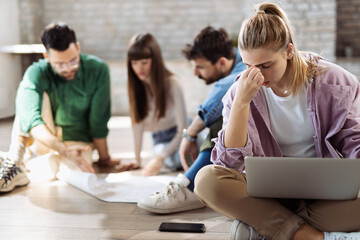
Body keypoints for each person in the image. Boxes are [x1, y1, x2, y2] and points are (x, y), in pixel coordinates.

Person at [194, 2, 360, 240]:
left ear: (289, 51)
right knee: (206, 181)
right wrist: (241, 103)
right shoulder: (240, 90)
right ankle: (311, 236)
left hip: (323, 198)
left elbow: (355, 145)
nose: (257, 75)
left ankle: (266, 225)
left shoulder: (337, 83)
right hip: (268, 194)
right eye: (249, 65)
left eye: (265, 65)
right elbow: (228, 163)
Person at [137, 26, 246, 213]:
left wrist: (189, 135)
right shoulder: (236, 59)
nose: (195, 73)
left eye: (200, 67)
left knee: (223, 119)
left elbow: (224, 91)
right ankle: (193, 179)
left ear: (221, 62)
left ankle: (189, 187)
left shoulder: (241, 71)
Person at [0, 22, 118, 193]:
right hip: (45, 137)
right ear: (47, 57)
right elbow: (30, 119)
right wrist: (63, 150)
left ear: (78, 48)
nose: (68, 69)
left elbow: (98, 122)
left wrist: (104, 159)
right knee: (28, 101)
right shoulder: (36, 73)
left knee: (66, 171)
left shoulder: (98, 70)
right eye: (60, 65)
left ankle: (20, 169)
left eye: (73, 61)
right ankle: (15, 157)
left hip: (78, 142)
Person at [126, 33, 188, 176]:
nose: (138, 68)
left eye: (144, 62)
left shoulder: (172, 83)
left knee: (181, 159)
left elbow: (183, 130)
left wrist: (160, 158)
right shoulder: (136, 86)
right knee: (171, 161)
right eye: (134, 63)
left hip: (182, 133)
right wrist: (137, 159)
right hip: (159, 138)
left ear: (155, 60)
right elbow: (137, 124)